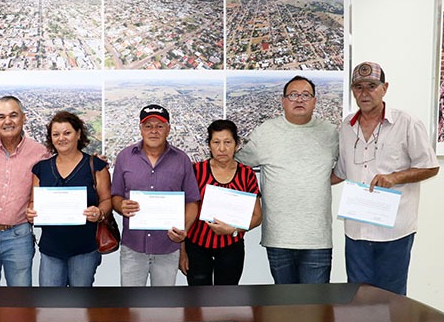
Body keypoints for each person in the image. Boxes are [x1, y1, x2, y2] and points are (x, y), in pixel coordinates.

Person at [332, 61, 439, 295]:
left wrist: (395, 177)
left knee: (392, 299)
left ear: (385, 88)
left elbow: (430, 167)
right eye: (358, 87)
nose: (364, 92)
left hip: (395, 230)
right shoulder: (346, 127)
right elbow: (341, 171)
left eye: (371, 85)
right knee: (358, 296)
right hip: (356, 230)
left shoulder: (406, 122)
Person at [236, 75, 338, 284]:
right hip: (279, 238)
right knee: (284, 308)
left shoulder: (330, 133)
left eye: (305, 95)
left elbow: (346, 169)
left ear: (315, 101)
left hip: (317, 239)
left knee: (316, 309)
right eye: (293, 95)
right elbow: (235, 167)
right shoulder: (266, 132)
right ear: (283, 101)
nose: (299, 100)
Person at [111, 104, 200, 286]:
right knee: (131, 305)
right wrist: (121, 206)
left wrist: (185, 228)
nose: (154, 131)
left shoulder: (182, 159)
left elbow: (192, 201)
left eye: (159, 126)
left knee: (164, 307)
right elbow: (115, 196)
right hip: (133, 247)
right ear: (140, 129)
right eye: (148, 126)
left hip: (168, 247)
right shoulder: (124, 157)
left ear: (168, 129)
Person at [26, 111, 111, 286]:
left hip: (85, 249)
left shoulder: (96, 166)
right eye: (56, 134)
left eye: (67, 133)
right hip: (51, 249)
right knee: (50, 305)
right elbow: (33, 202)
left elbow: (106, 199)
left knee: (80, 304)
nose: (61, 138)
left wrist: (100, 212)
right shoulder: (41, 169)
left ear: (78, 134)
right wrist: (31, 212)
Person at [0, 96, 49, 287]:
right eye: (1, 117)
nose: (7, 121)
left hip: (18, 236)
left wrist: (93, 164)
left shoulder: (40, 153)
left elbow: (59, 176)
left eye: (13, 115)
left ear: (23, 118)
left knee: (20, 302)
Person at [179, 119, 262, 285]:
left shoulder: (247, 174)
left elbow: (257, 216)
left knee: (227, 299)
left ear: (236, 144)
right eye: (216, 142)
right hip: (196, 246)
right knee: (199, 300)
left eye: (227, 142)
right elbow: (182, 212)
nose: (222, 148)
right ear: (209, 145)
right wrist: (182, 251)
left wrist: (233, 229)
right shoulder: (196, 171)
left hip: (231, 246)